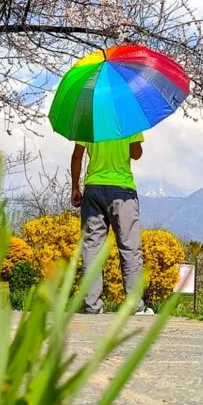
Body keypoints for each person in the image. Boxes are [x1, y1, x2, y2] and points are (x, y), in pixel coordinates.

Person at [71, 132, 154, 314]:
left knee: (92, 248)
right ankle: (135, 305)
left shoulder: (89, 119)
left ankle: (91, 305)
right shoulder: (128, 118)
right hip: (122, 191)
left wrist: (75, 187)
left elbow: (77, 155)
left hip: (93, 189)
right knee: (129, 247)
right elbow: (136, 154)